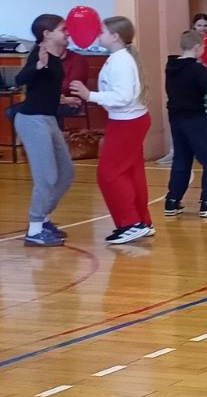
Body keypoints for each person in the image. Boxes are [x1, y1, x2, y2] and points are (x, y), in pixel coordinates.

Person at [67, 17, 154, 245]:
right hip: (129, 120)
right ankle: (141, 222)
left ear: (115, 36)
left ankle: (130, 224)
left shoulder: (120, 62)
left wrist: (90, 95)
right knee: (131, 172)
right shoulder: (119, 58)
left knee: (109, 174)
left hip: (127, 123)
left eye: (102, 31)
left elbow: (123, 96)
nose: (98, 34)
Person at [13, 14, 79, 247]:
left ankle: (43, 219)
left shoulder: (56, 57)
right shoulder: (38, 54)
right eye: (63, 29)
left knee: (66, 173)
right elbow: (21, 79)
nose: (67, 32)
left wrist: (64, 99)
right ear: (47, 34)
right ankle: (34, 229)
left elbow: (44, 89)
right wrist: (38, 66)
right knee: (47, 177)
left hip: (48, 118)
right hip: (32, 121)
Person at [163, 30, 207, 218]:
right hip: (194, 118)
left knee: (182, 158)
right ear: (197, 47)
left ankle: (172, 200)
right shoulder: (198, 70)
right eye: (203, 47)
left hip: (175, 118)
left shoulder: (171, 66)